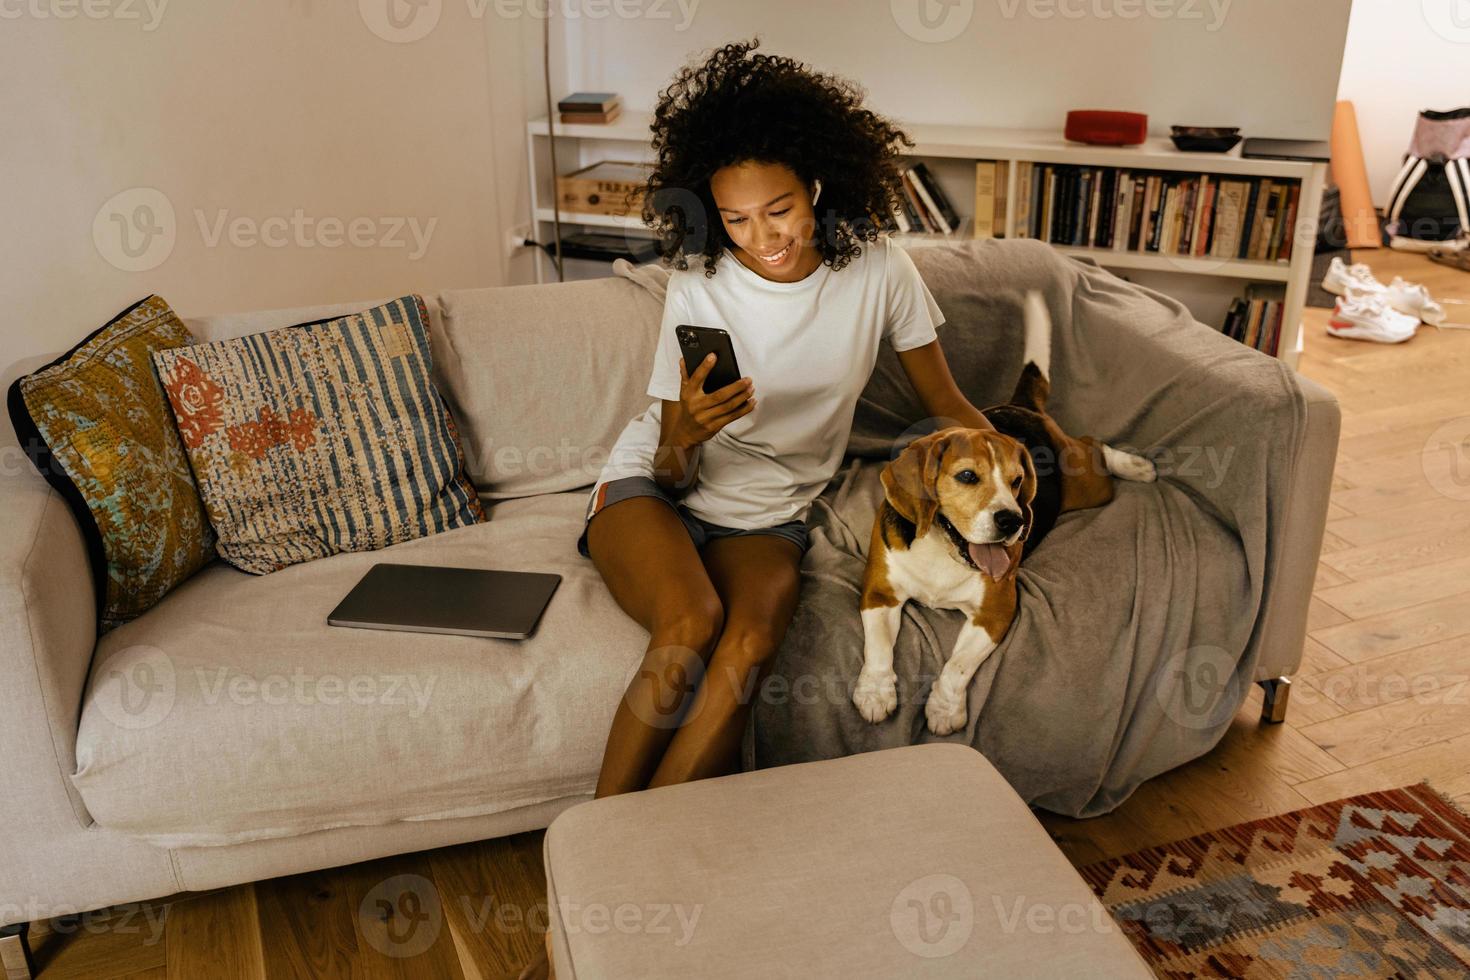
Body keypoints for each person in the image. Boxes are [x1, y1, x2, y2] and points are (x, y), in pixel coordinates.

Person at [520, 38, 995, 977]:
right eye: (736, 219)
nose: (763, 235)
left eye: (778, 208)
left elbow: (948, 406)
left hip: (772, 516)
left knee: (751, 637)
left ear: (817, 183)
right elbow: (669, 464)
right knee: (689, 620)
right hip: (654, 490)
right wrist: (689, 429)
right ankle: (588, 885)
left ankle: (620, 886)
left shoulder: (881, 273)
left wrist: (1021, 469)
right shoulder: (700, 283)